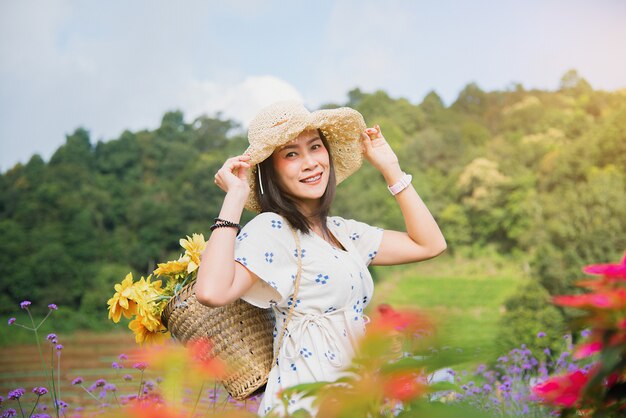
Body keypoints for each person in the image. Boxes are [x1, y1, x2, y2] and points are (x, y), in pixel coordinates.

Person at [195, 101, 446, 416]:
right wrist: (234, 197)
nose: (310, 162)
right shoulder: (273, 229)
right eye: (291, 154)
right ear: (271, 171)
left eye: (315, 147)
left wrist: (390, 168)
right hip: (305, 401)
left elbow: (429, 244)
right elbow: (210, 292)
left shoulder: (341, 232)